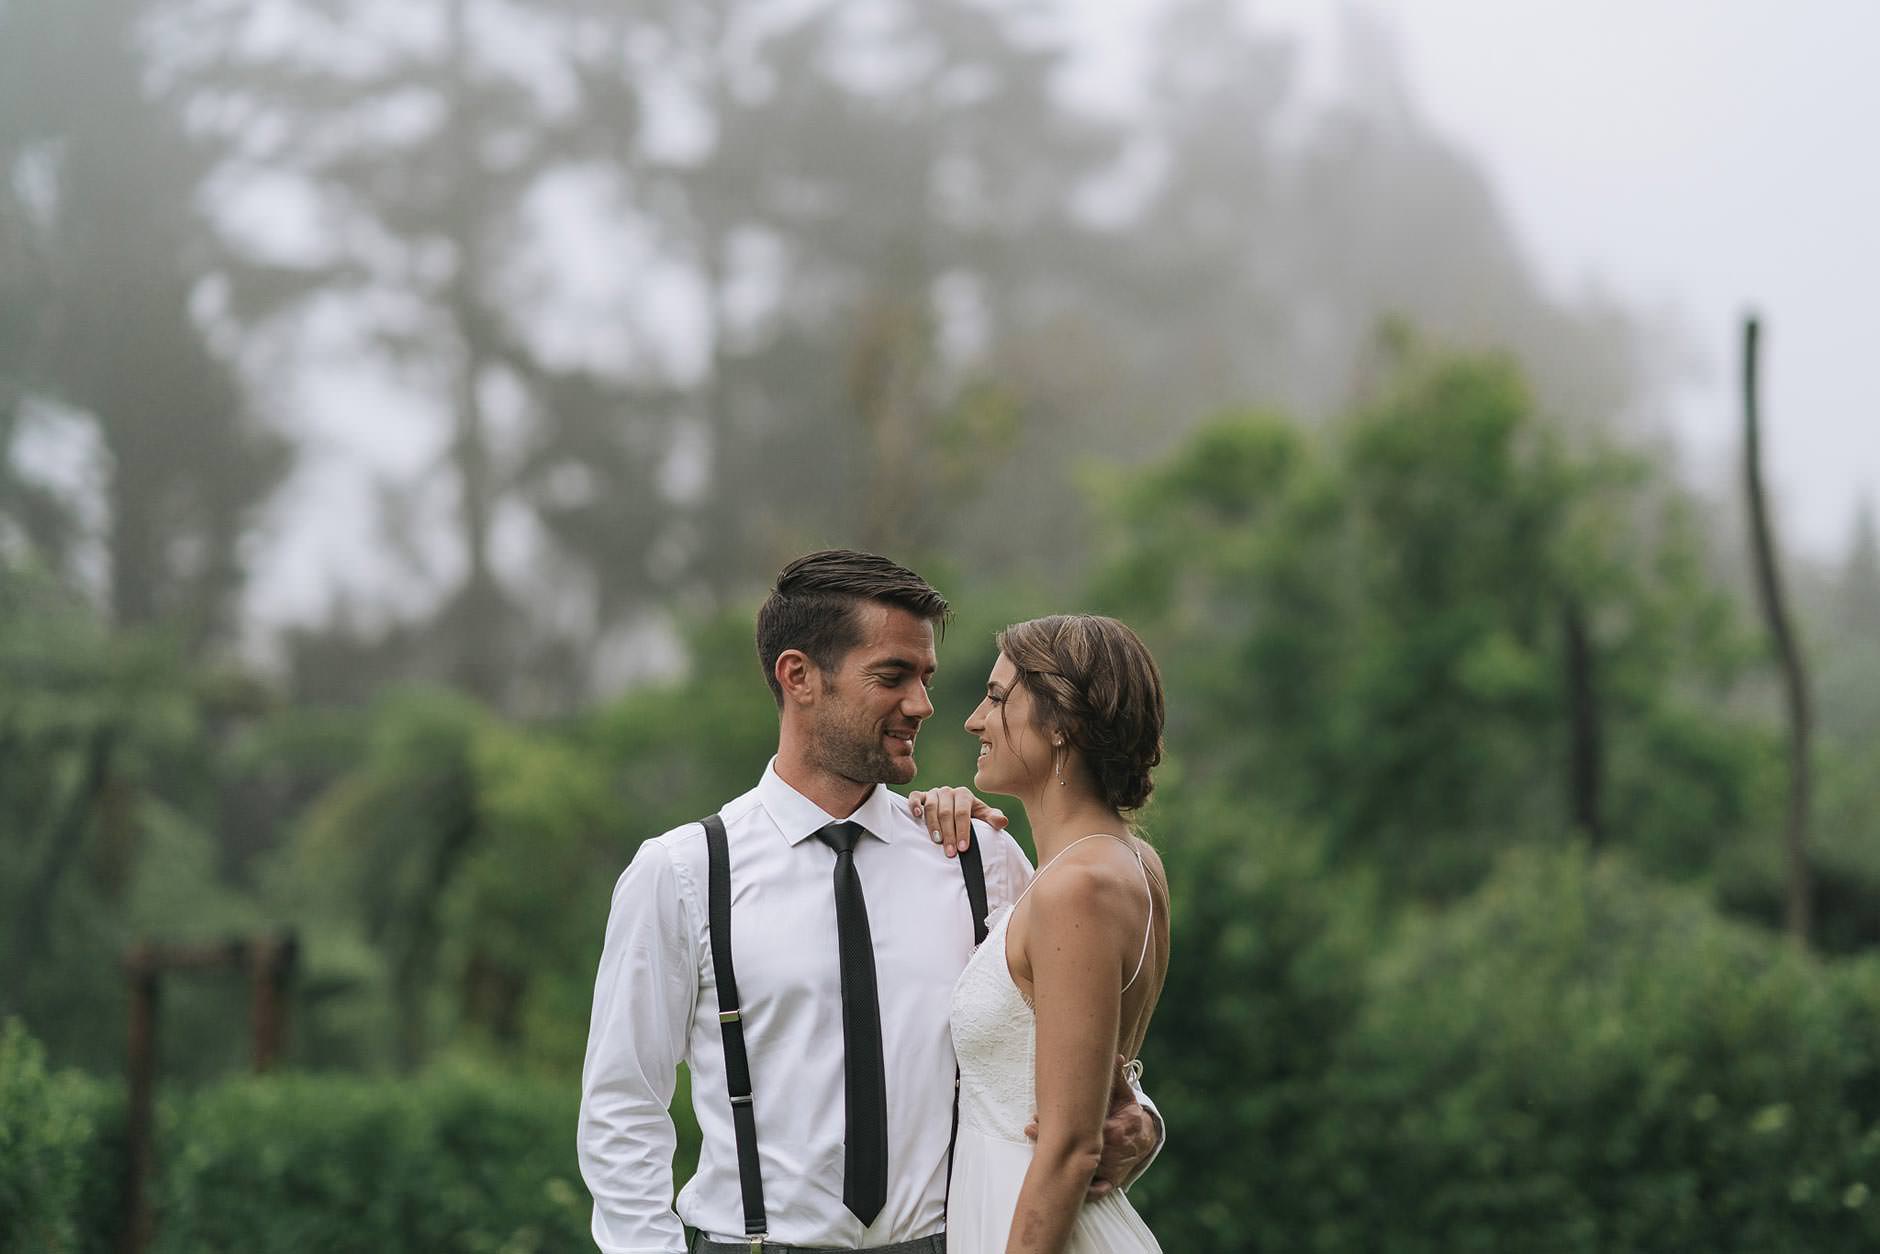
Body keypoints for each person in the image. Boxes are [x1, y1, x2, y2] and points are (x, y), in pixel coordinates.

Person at [577, 551, 1159, 1254]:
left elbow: (1056, 1038)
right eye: (892, 676)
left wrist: (1137, 1118)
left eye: (926, 678)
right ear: (798, 677)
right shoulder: (683, 873)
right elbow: (622, 1108)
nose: (923, 705)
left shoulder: (981, 858)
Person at [925, 614, 1171, 1253]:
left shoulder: (1076, 888)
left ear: (1061, 722)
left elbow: (1069, 1146)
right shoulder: (1126, 862)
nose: (975, 720)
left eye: (997, 697)